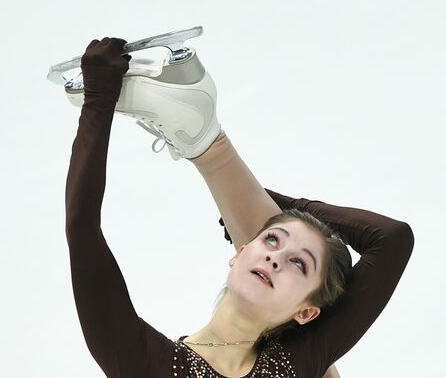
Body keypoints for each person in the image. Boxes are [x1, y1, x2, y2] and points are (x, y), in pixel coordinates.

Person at [64, 37, 415, 378]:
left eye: (298, 263)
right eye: (272, 242)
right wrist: (99, 97)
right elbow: (82, 230)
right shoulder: (149, 364)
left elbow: (392, 239)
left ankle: (206, 144)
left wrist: (101, 98)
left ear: (307, 313)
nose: (275, 258)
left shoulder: (305, 357)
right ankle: (206, 143)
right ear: (239, 252)